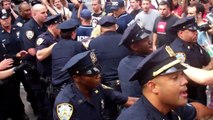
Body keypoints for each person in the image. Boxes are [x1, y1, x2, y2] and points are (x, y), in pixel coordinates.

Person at [117, 45, 213, 120]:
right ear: (153, 86)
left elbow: (198, 110)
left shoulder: (172, 106)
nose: (184, 81)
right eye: (175, 78)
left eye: (182, 75)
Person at [53, 50, 138, 120]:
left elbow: (127, 100)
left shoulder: (98, 88)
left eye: (98, 71)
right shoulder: (66, 103)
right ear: (76, 78)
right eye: (92, 74)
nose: (98, 76)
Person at [88, 15, 130, 119]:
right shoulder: (125, 40)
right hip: (125, 83)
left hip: (106, 86)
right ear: (115, 26)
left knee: (108, 115)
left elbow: (93, 64)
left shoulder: (94, 43)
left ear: (101, 28)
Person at [170, 16, 211, 105]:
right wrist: (208, 68)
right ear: (181, 33)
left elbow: (208, 60)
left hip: (200, 92)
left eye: (196, 31)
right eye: (192, 31)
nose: (196, 33)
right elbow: (186, 77)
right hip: (187, 95)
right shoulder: (177, 51)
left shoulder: (195, 45)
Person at [21, 4, 50, 119]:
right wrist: (48, 48)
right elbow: (33, 51)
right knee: (40, 99)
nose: (46, 15)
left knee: (46, 97)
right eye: (43, 13)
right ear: (34, 14)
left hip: (43, 68)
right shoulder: (28, 28)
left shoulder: (44, 26)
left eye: (46, 12)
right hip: (33, 69)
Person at [0, 8, 29, 120]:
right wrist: (15, 56)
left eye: (7, 18)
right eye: (3, 19)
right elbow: (3, 56)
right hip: (9, 67)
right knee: (14, 93)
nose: (6, 21)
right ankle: (20, 112)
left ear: (11, 17)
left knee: (29, 88)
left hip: (24, 64)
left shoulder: (18, 29)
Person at [51, 19, 86, 99]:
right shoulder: (77, 45)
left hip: (56, 88)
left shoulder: (55, 47)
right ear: (73, 33)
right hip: (71, 88)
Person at [118, 21, 153, 98]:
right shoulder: (147, 63)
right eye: (145, 40)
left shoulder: (123, 62)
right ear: (134, 47)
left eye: (148, 38)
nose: (150, 41)